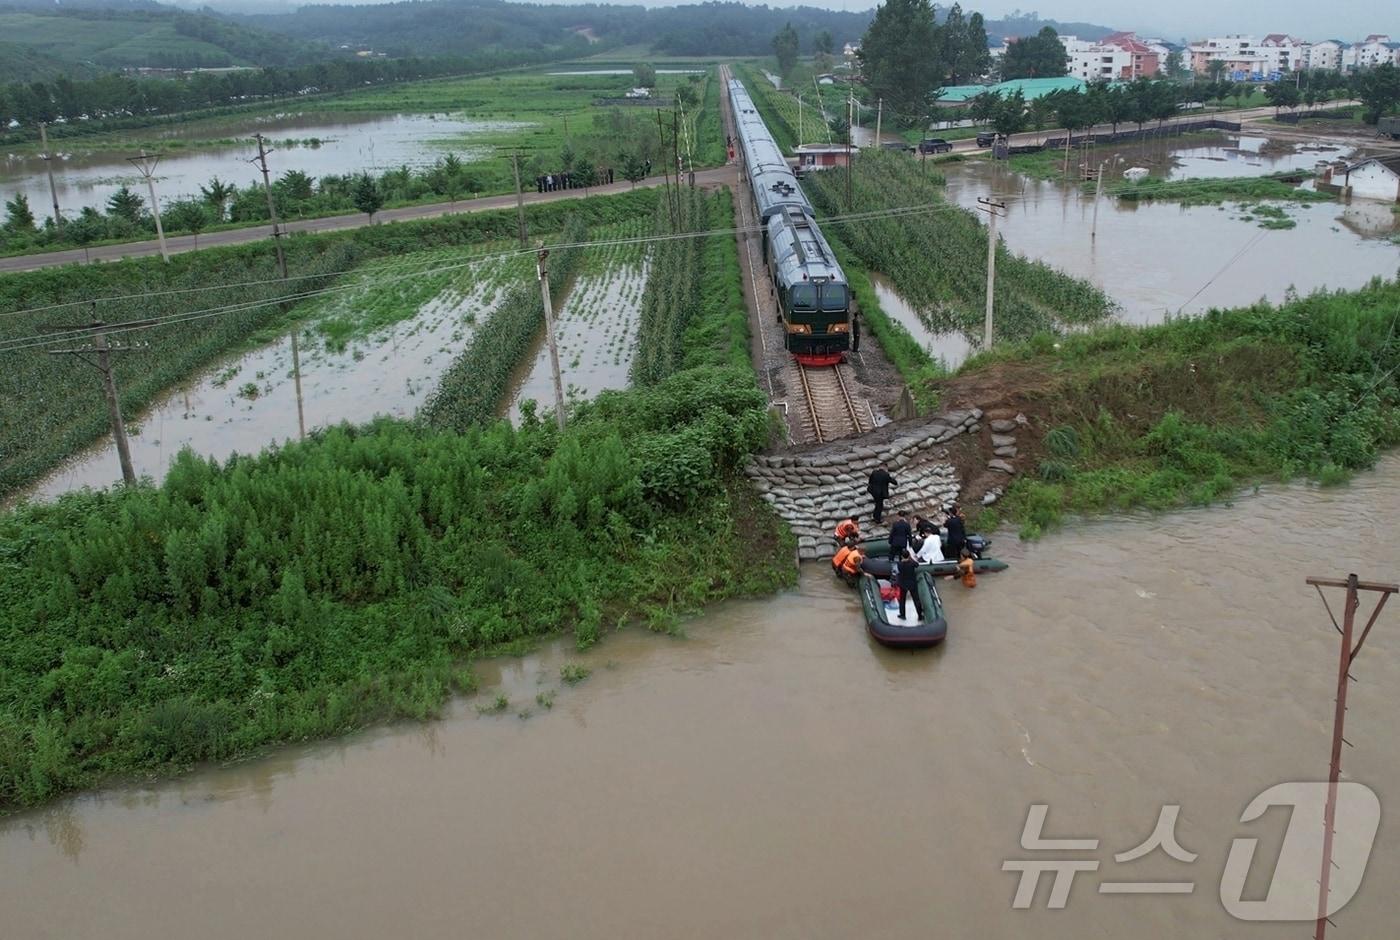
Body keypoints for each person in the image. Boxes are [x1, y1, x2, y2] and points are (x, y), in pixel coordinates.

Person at [897, 553, 925, 620]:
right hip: (912, 583)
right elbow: (917, 564)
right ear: (909, 556)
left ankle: (902, 615)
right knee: (916, 600)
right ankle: (920, 615)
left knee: (902, 600)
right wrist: (911, 559)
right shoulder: (912, 563)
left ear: (902, 556)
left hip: (903, 583)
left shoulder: (899, 564)